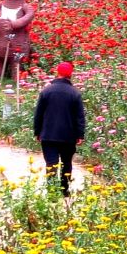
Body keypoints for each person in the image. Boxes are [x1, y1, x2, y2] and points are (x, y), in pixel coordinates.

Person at [32, 60, 86, 195]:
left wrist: (37, 132)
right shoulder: (75, 93)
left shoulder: (46, 91)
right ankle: (65, 190)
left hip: (48, 134)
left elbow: (38, 114)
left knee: (51, 163)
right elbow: (79, 117)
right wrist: (80, 135)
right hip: (68, 136)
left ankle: (51, 190)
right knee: (66, 163)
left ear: (58, 73)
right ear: (70, 75)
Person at [0, 0, 35, 86]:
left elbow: (29, 16)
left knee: (16, 63)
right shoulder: (0, 4)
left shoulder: (24, 6)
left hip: (18, 43)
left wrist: (14, 24)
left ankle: (17, 78)